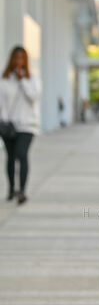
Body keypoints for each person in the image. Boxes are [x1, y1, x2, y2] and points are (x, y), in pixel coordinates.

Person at [0, 46, 42, 205]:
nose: (18, 61)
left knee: (21, 154)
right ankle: (11, 189)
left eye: (21, 58)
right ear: (11, 59)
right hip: (8, 126)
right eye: (16, 58)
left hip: (27, 125)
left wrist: (22, 80)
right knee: (10, 157)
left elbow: (34, 96)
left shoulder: (33, 78)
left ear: (25, 60)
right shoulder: (4, 79)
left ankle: (22, 190)